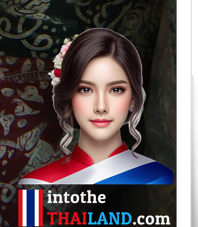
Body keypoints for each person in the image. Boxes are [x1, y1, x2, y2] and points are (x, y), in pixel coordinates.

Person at [21, 29, 173, 186]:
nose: (101, 107)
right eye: (86, 90)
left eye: (116, 90)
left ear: (133, 97)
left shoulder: (160, 178)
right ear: (69, 96)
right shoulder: (36, 182)